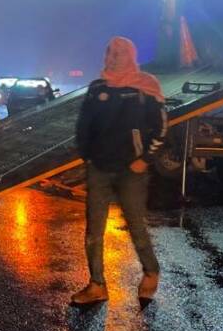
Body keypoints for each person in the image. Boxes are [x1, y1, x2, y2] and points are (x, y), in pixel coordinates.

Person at [72, 36, 167, 304]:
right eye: (110, 52)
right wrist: (87, 155)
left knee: (136, 224)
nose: (114, 57)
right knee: (94, 230)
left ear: (131, 55)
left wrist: (146, 158)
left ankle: (151, 271)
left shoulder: (145, 86)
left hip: (131, 169)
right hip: (99, 167)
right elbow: (84, 126)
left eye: (120, 52)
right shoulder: (97, 87)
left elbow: (161, 126)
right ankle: (96, 284)